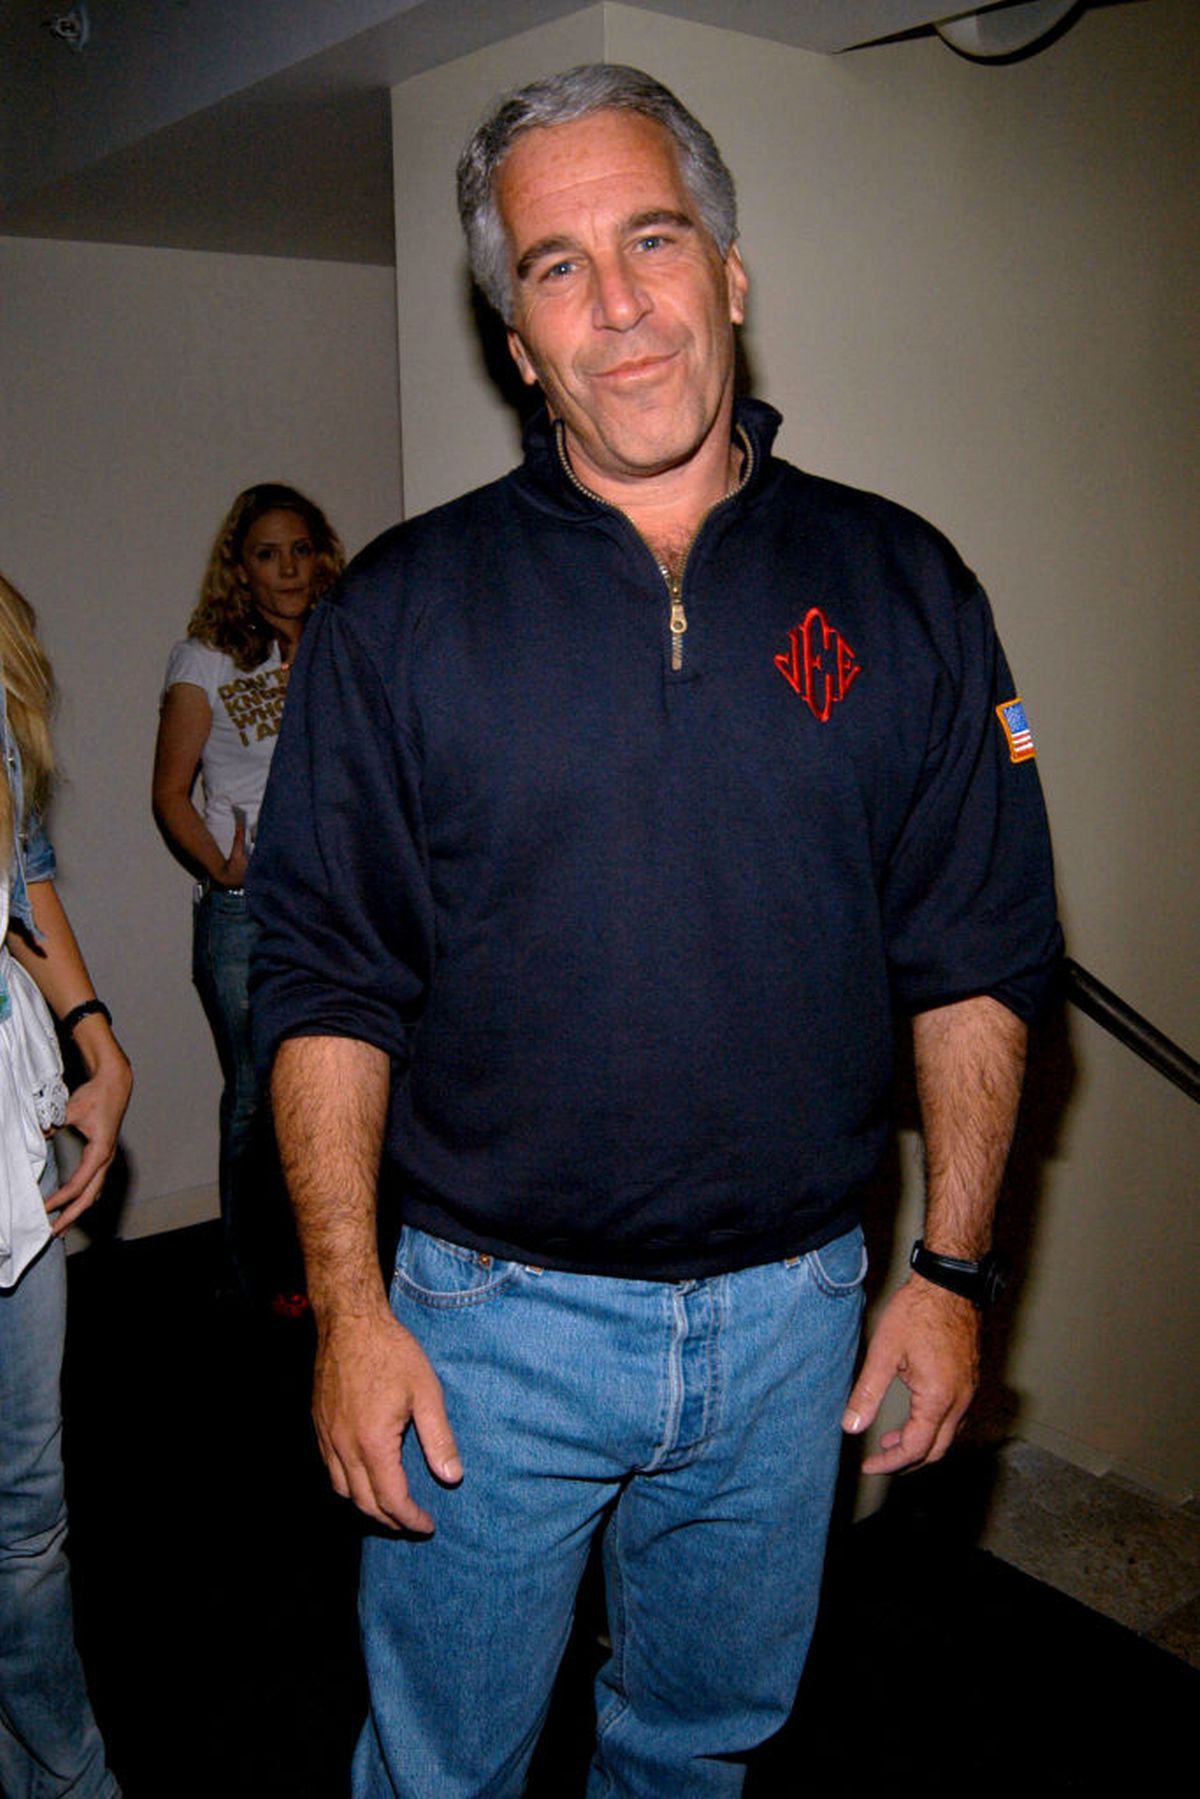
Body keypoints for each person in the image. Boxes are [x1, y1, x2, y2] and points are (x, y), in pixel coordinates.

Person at [250, 64, 1062, 1798]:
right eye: (558, 268)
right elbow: (327, 982)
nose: (617, 304)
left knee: (700, 1752)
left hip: (798, 1319)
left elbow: (979, 953)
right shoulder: (398, 615)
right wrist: (349, 1309)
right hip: (484, 1327)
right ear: (517, 343)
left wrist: (951, 1273)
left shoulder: (909, 585)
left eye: (653, 239)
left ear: (732, 272)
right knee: (440, 1768)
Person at [0, 572, 133, 1799]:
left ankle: (60, 1775)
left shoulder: (2, 659)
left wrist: (97, 1036)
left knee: (26, 1512)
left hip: (9, 1134)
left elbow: (23, 869)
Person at [152, 484, 343, 1303]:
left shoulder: (342, 638)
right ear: (241, 568)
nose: (288, 568)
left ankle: (336, 1262)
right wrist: (222, 868)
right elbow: (170, 792)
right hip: (248, 912)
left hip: (337, 900)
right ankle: (259, 1272)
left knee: (346, 1082)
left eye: (300, 549)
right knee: (257, 1100)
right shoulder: (206, 659)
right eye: (268, 554)